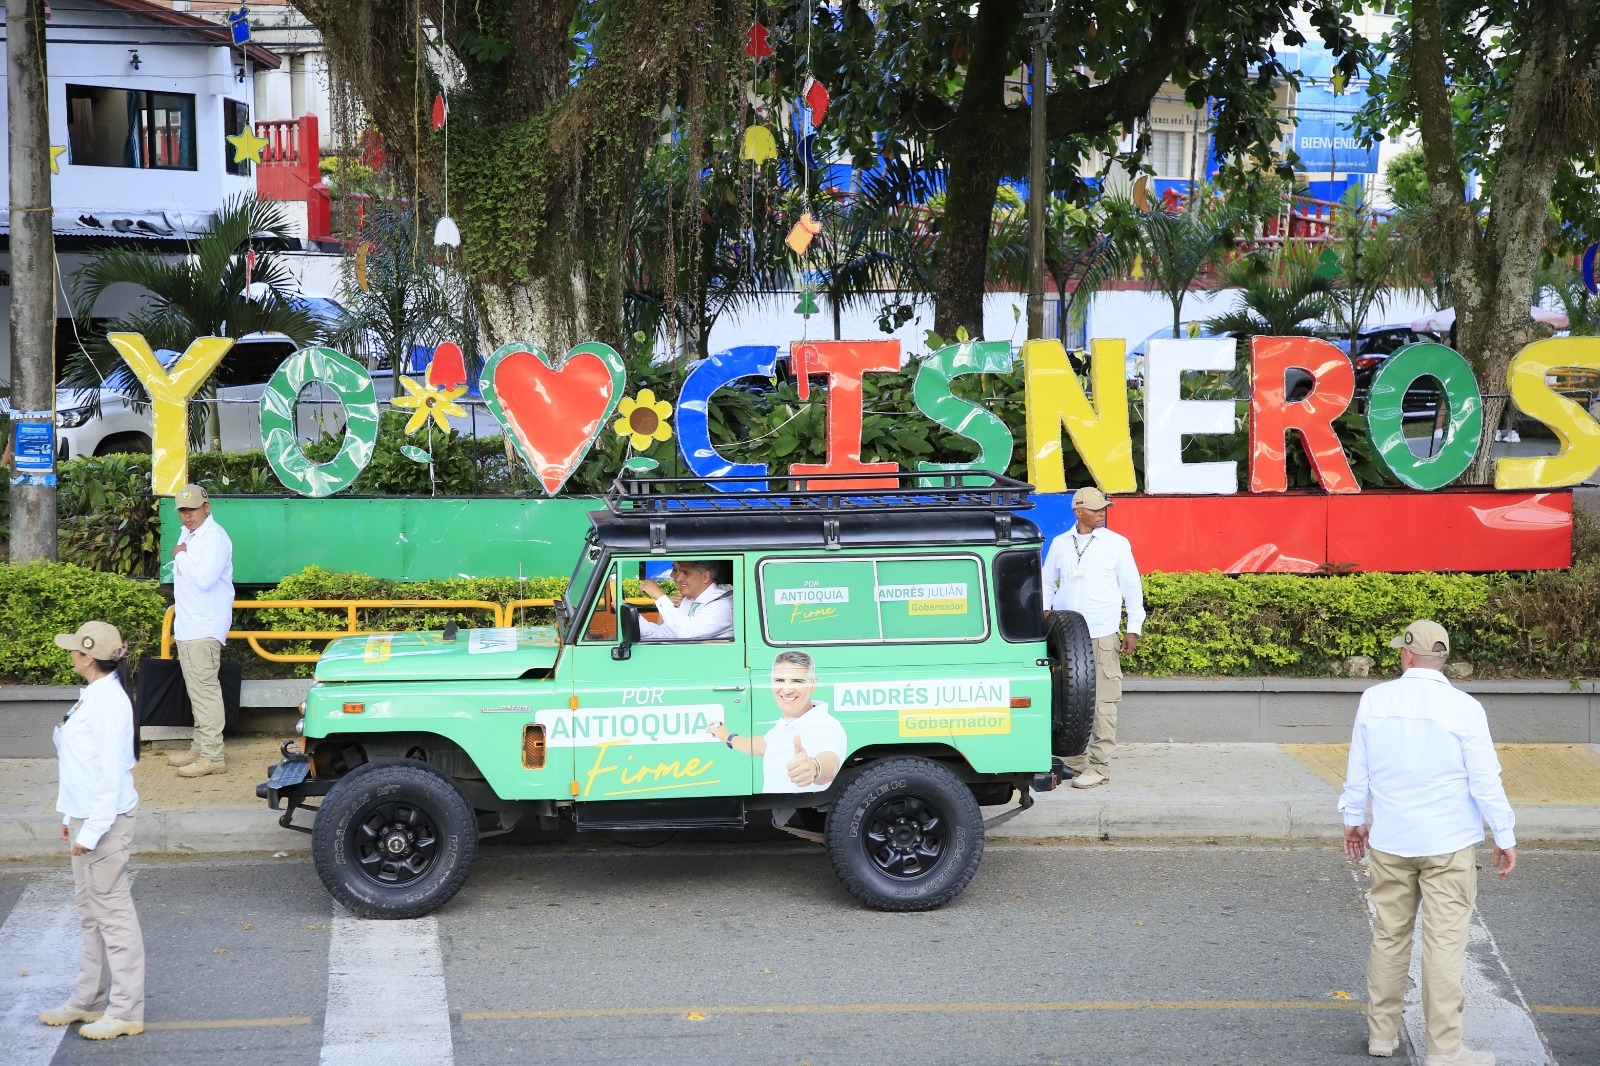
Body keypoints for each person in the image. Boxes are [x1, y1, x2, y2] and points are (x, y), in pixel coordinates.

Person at [1339, 620, 1516, 1066]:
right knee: (1444, 943)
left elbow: (1358, 766)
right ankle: (1445, 1047)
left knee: (1390, 935)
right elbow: (1485, 780)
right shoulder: (1465, 708)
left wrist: (1353, 818)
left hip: (1391, 839)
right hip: (1448, 840)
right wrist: (1504, 833)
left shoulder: (1375, 699)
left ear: (1407, 655)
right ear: (1443, 658)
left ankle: (1382, 1035)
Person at [38, 621, 146, 1041]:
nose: (70, 654)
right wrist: (71, 820)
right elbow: (79, 767)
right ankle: (89, 1000)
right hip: (87, 819)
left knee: (113, 917)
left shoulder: (108, 703)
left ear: (87, 656)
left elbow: (111, 776)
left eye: (74, 649)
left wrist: (91, 831)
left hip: (104, 823)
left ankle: (126, 1011)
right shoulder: (94, 696)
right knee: (92, 914)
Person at [1040, 486, 1144, 790]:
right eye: (1096, 509)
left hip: (1100, 633)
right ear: (1078, 511)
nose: (1102, 513)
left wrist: (1133, 628)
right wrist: (1047, 611)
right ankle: (1074, 761)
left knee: (1102, 702)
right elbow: (1047, 581)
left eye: (1104, 509)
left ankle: (1100, 766)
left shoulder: (1116, 544)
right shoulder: (1060, 543)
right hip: (1066, 637)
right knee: (1069, 700)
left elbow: (1132, 588)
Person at [168, 483, 235, 778]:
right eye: (182, 510)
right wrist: (182, 551)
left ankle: (212, 755)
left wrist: (180, 555)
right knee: (198, 691)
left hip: (203, 627)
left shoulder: (215, 538)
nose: (186, 515)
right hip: (190, 625)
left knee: (205, 692)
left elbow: (205, 579)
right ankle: (200, 747)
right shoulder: (191, 533)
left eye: (192, 509)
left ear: (206, 507)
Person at [709, 651, 846, 793]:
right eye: (780, 680)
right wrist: (727, 737)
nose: (786, 690)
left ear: (813, 684)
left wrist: (815, 768)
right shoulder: (781, 727)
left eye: (797, 681)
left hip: (801, 813)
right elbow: (762, 745)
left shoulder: (827, 725)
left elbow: (831, 764)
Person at [638, 560, 733, 641]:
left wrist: (660, 596)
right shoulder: (689, 600)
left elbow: (687, 633)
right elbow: (667, 634)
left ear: (706, 576)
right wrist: (634, 617)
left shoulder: (722, 604)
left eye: (686, 573)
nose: (678, 578)